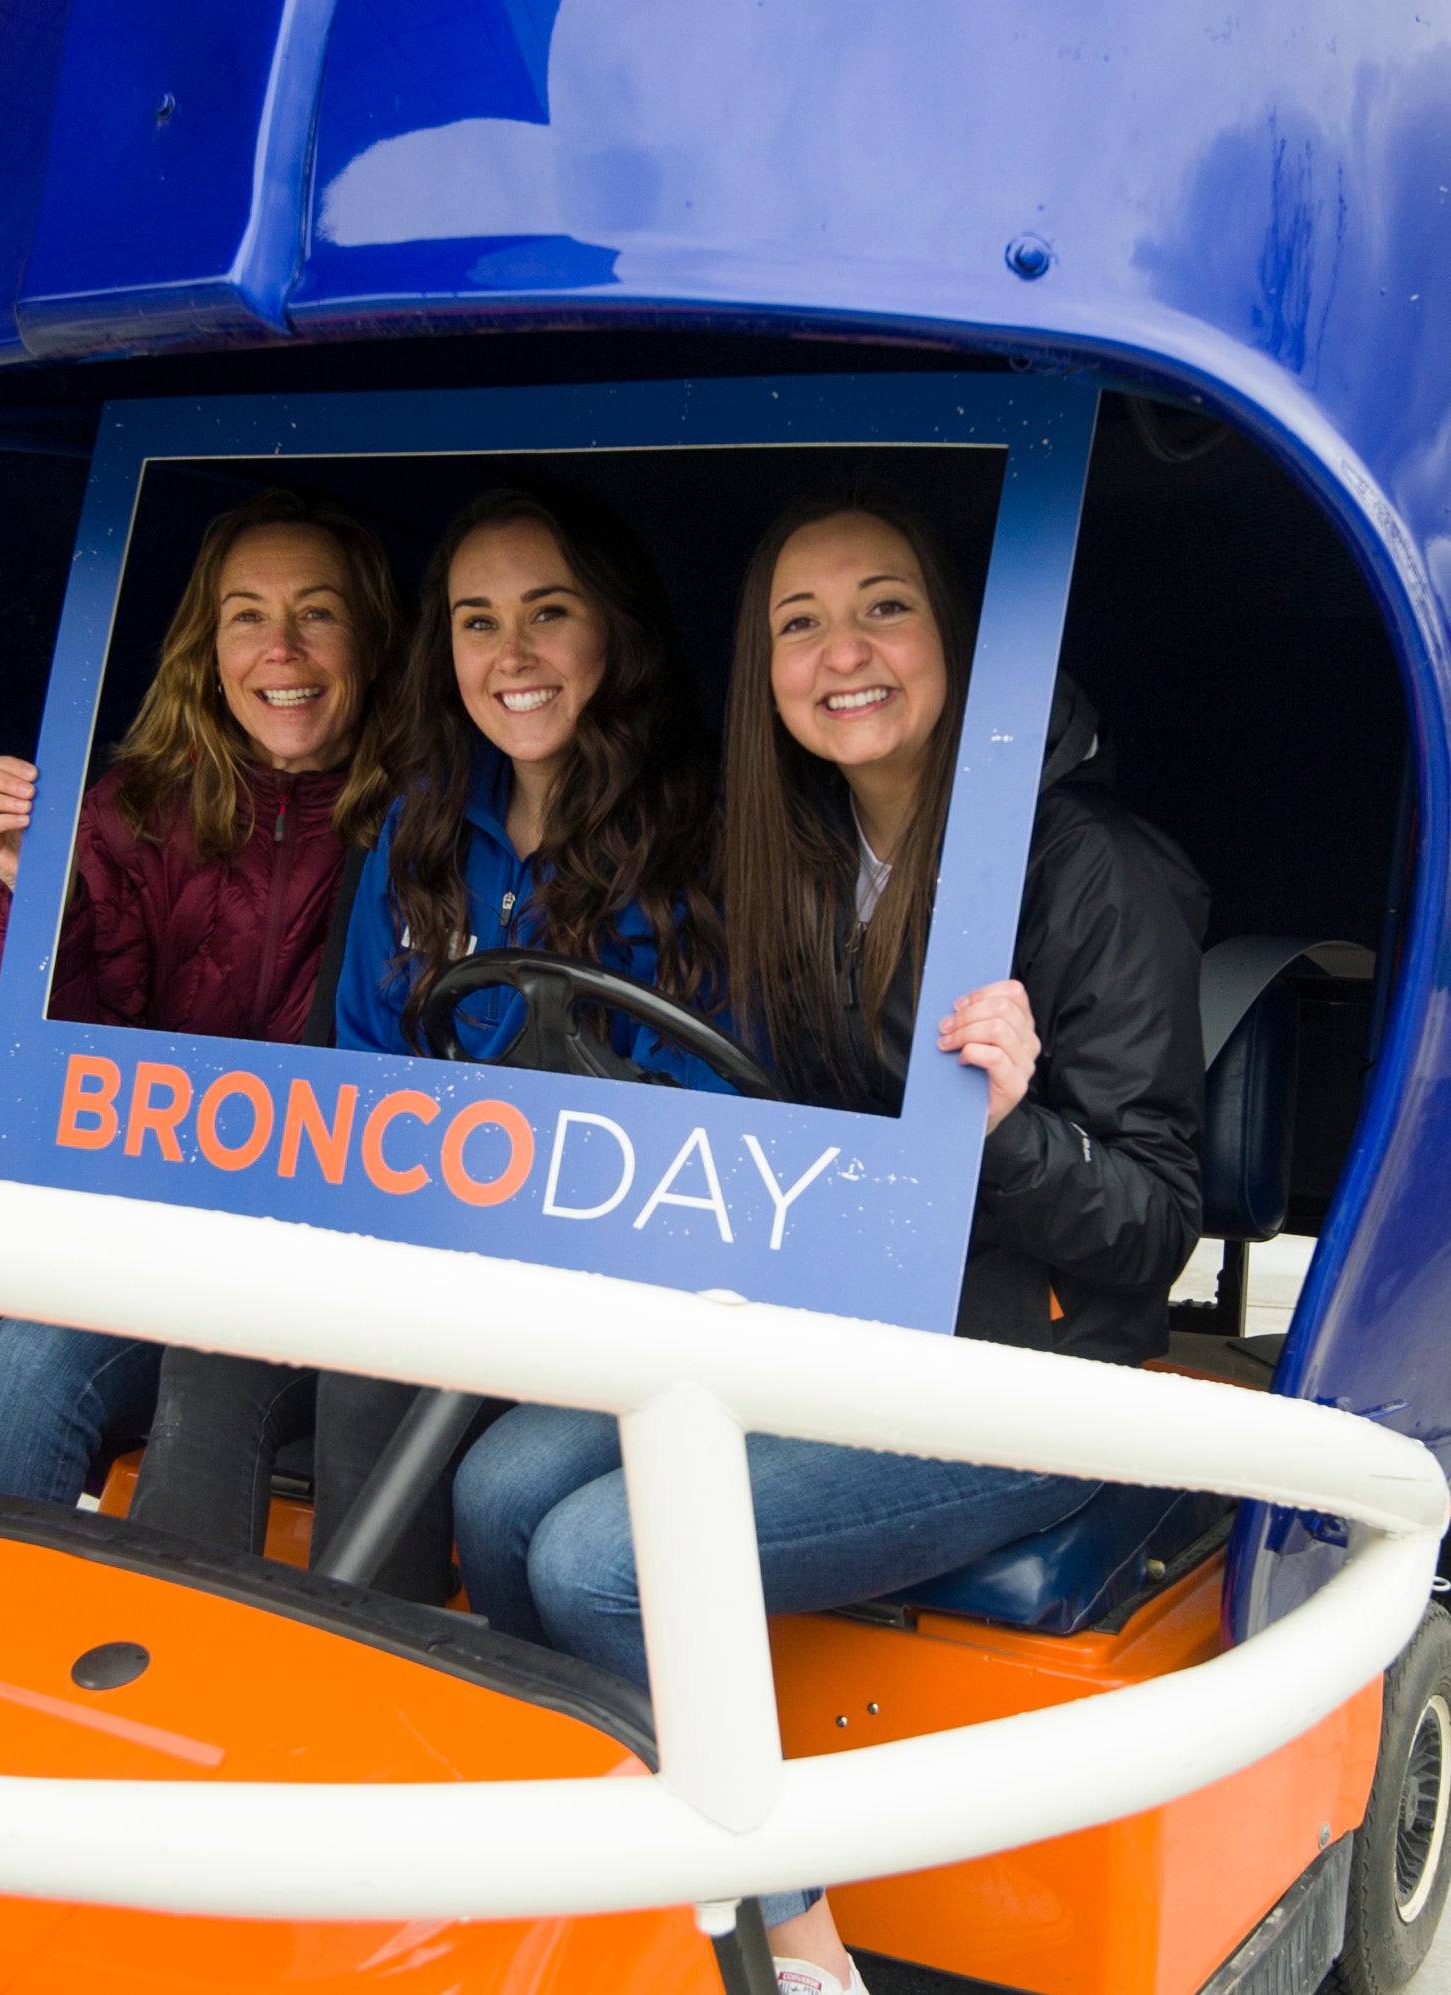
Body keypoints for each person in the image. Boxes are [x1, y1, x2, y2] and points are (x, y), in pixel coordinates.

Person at [449, 490, 1207, 1995]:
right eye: (797, 624)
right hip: (839, 1335)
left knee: (605, 1559)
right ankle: (630, 1893)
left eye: (882, 608)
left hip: (1028, 1373)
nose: (839, 653)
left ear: (957, 640)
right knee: (493, 1485)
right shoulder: (786, 854)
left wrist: (1008, 1127)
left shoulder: (1092, 872)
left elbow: (1151, 1230)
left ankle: (797, 1950)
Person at [0, 490, 399, 1504]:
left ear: (368, 639)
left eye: (318, 612)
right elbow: (45, 1067)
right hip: (109, 1222)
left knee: (32, 1373)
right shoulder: (129, 808)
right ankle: (5, 1596)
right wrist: (24, 898)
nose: (282, 647)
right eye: (247, 616)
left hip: (275, 1265)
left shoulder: (425, 827)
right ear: (207, 649)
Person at [127, 485, 729, 1600]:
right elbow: (360, 1061)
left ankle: (375, 1723)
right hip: (418, 1242)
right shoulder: (421, 820)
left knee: (372, 1376)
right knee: (212, 1351)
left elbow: (711, 1117)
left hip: (607, 1280)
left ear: (615, 628)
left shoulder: (704, 833)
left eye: (548, 612)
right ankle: (167, 1702)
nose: (511, 654)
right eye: (476, 620)